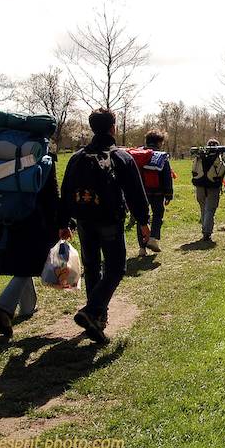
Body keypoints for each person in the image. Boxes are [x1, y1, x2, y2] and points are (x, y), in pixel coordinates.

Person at [58, 109, 150, 344]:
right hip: (110, 219)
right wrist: (143, 220)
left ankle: (97, 319)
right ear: (113, 128)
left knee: (92, 266)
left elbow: (66, 191)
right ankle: (92, 311)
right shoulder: (121, 157)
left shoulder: (77, 157)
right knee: (116, 268)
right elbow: (135, 192)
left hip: (84, 220)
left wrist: (64, 222)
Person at [0, 158, 60, 338]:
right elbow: (50, 194)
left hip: (7, 216)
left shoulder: (5, 153)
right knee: (32, 263)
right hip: (35, 219)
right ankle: (3, 306)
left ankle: (28, 307)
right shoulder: (43, 157)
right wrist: (60, 221)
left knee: (25, 261)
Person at [136, 129, 174, 257]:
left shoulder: (138, 154)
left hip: (141, 191)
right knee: (158, 214)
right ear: (159, 142)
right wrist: (169, 194)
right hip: (158, 193)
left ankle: (142, 248)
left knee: (141, 217)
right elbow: (167, 176)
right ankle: (153, 238)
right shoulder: (161, 156)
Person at [192, 139, 225, 242]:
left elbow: (194, 170)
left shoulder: (199, 157)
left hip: (200, 186)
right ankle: (207, 232)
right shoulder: (218, 158)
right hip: (213, 187)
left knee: (203, 209)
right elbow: (222, 171)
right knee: (210, 210)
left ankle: (205, 230)